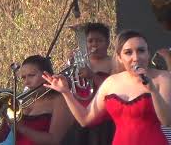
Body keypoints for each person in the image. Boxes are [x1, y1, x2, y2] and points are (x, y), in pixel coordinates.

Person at [43, 30, 171, 145]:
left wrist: (153, 91)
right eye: (128, 53)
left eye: (141, 51)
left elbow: (167, 121)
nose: (135, 58)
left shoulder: (163, 78)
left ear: (148, 54)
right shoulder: (111, 82)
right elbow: (85, 119)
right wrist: (65, 91)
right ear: (120, 57)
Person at [0, 55, 74, 145]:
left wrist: (20, 127)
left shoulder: (60, 100)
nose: (26, 82)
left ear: (46, 75)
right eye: (23, 77)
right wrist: (3, 117)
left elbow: (54, 140)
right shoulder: (22, 101)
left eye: (31, 75)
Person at [64, 22, 114, 145]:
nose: (94, 45)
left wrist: (93, 76)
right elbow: (71, 86)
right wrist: (70, 67)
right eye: (90, 41)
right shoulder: (79, 62)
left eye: (99, 41)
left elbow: (115, 90)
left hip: (104, 117)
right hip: (79, 115)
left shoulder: (114, 63)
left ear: (108, 43)